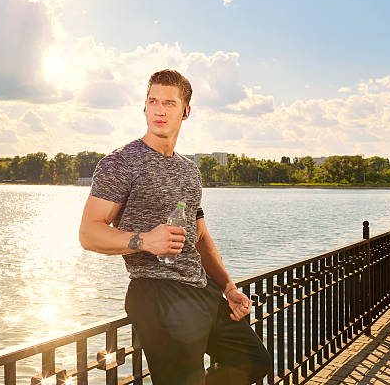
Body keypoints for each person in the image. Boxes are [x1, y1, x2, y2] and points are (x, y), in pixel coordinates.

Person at [79, 69, 272, 384]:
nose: (158, 109)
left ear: (186, 111)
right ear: (144, 106)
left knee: (254, 361)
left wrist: (228, 287)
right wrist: (144, 241)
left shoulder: (189, 171)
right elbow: (88, 232)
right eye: (152, 101)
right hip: (157, 294)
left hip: (202, 290)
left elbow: (202, 237)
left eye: (169, 103)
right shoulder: (120, 162)